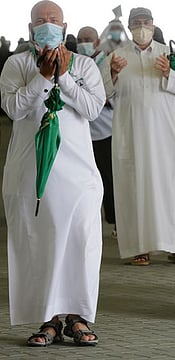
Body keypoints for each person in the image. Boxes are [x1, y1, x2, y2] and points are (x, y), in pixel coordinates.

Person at [0, 0, 105, 346]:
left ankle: (78, 317)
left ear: (64, 26)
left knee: (81, 241)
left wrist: (65, 80)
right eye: (40, 21)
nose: (47, 25)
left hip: (79, 175)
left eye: (53, 20)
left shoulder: (85, 65)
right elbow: (14, 108)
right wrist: (44, 77)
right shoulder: (16, 64)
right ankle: (47, 320)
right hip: (32, 175)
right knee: (39, 244)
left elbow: (93, 107)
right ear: (30, 29)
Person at [102, 7, 175, 265]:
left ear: (153, 25)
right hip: (131, 135)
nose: (141, 26)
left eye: (145, 22)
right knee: (133, 187)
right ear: (129, 27)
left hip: (166, 134)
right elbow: (101, 94)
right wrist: (111, 74)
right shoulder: (116, 56)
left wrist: (169, 72)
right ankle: (138, 247)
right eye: (136, 22)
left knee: (170, 187)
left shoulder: (169, 53)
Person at [77, 26, 117, 237]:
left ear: (97, 41)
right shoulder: (75, 62)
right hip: (83, 134)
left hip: (107, 130)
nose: (84, 42)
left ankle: (115, 220)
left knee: (109, 179)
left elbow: (113, 96)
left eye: (88, 39)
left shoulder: (110, 62)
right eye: (80, 39)